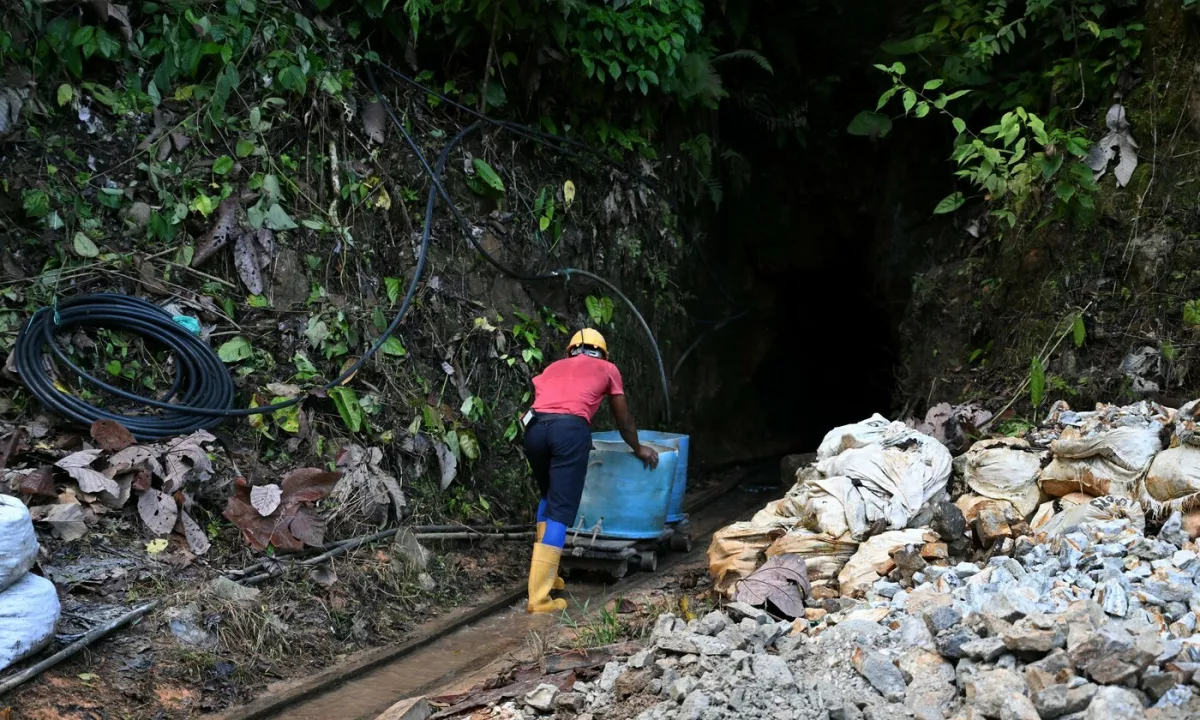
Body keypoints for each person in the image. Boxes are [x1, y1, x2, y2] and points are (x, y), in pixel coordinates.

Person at [522, 328, 659, 613]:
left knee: (548, 497)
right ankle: (539, 598)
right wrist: (638, 448)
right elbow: (624, 420)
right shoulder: (607, 368)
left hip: (535, 430)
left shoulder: (554, 366)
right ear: (603, 352)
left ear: (570, 350)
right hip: (569, 431)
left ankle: (552, 576)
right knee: (561, 510)